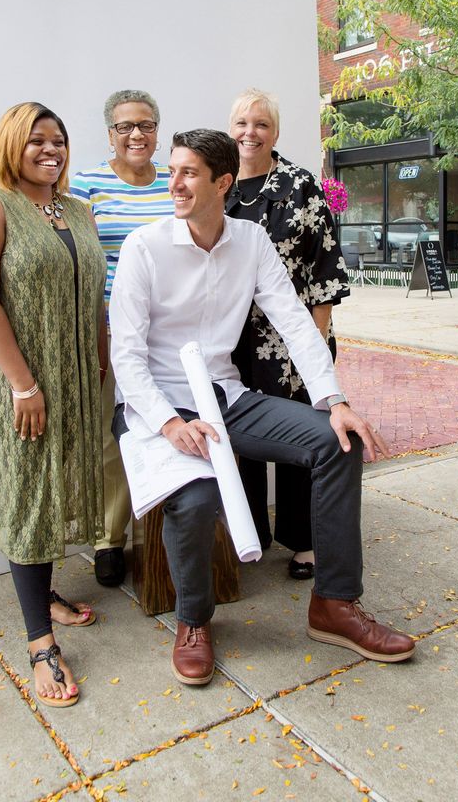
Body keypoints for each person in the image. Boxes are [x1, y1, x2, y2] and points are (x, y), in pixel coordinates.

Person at [109, 129, 415, 686]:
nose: (173, 183)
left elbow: (295, 321)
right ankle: (194, 622)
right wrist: (170, 423)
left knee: (336, 443)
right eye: (172, 170)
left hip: (225, 397)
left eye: (188, 173)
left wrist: (335, 400)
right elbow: (126, 356)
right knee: (198, 497)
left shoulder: (250, 241)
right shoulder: (144, 247)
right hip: (156, 407)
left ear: (223, 183)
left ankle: (334, 605)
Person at [0, 102, 107, 709]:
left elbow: (95, 291)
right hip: (26, 383)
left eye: (60, 140)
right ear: (10, 146)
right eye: (37, 141)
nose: (52, 150)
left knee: (59, 486)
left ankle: (46, 593)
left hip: (76, 379)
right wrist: (23, 383)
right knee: (30, 493)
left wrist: (103, 357)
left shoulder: (76, 210)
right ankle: (38, 641)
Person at [225, 89, 349, 580]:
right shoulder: (224, 186)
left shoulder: (299, 185)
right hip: (234, 341)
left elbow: (323, 270)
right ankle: (250, 532)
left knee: (302, 439)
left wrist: (314, 346)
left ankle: (303, 541)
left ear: (275, 132)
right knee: (244, 438)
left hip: (295, 339)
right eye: (241, 122)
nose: (249, 132)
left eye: (260, 124)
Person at [71, 89, 173, 589]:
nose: (136, 135)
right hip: (112, 330)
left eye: (146, 125)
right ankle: (109, 539)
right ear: (109, 133)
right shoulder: (87, 184)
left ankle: (158, 537)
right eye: (125, 126)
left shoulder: (175, 182)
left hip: (171, 332)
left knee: (170, 428)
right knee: (117, 434)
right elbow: (86, 268)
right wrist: (97, 334)